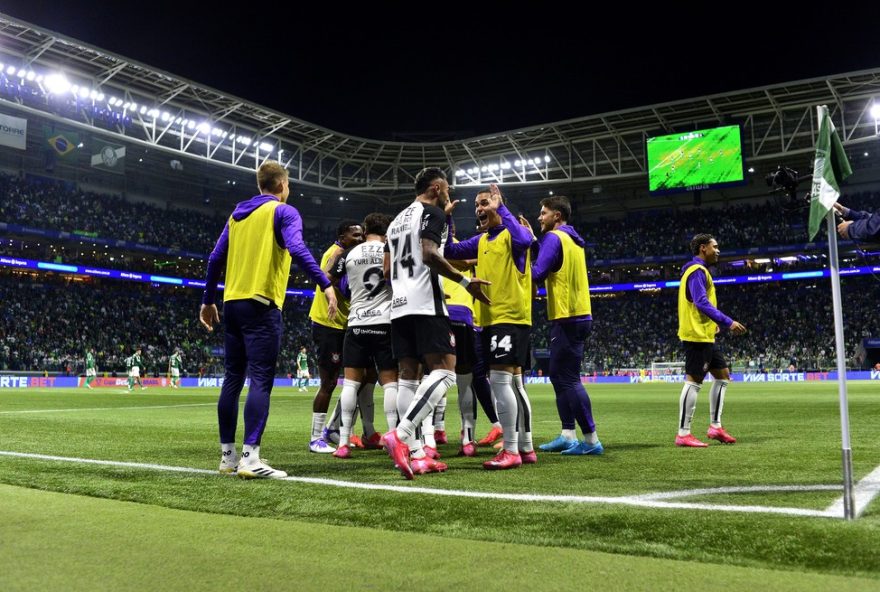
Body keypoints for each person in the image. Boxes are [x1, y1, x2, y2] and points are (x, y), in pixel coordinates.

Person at [200, 160, 338, 479]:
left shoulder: (237, 215)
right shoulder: (283, 211)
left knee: (233, 379)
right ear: (282, 185)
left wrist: (208, 300)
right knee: (261, 379)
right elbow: (298, 248)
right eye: (288, 186)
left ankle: (228, 457)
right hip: (261, 304)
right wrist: (325, 283)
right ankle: (251, 459)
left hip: (232, 302)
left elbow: (214, 258)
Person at [382, 167, 490, 479]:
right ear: (436, 187)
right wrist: (464, 280)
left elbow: (387, 272)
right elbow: (429, 254)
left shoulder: (396, 221)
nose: (448, 193)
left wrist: (402, 293)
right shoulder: (432, 213)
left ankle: (417, 455)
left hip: (399, 307)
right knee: (445, 372)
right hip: (426, 303)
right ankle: (401, 435)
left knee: (409, 378)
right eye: (446, 188)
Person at [446, 184, 536, 470]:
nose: (479, 209)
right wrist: (447, 220)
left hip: (508, 317)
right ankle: (525, 447)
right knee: (510, 384)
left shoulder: (513, 234)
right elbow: (450, 250)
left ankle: (511, 450)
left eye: (484, 203)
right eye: (477, 205)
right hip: (487, 321)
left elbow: (526, 239)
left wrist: (501, 207)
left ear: (498, 205)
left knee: (501, 383)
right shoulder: (482, 239)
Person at [527, 196, 603, 456]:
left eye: (543, 212)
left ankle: (591, 440)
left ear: (557, 216)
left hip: (568, 317)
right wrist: (533, 241)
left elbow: (538, 273)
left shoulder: (554, 238)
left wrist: (515, 275)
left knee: (568, 378)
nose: (539, 217)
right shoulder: (572, 240)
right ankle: (568, 434)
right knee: (559, 375)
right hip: (577, 314)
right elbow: (553, 263)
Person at [328, 212, 397, 458]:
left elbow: (328, 277)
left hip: (356, 323)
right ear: (386, 230)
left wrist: (341, 293)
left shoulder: (348, 253)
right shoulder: (391, 250)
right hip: (385, 323)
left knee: (350, 384)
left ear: (365, 229)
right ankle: (394, 441)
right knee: (390, 383)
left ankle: (344, 443)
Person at [675, 234, 747, 447]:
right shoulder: (697, 271)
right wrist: (727, 322)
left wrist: (712, 323)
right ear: (703, 248)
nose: (718, 251)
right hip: (696, 336)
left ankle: (715, 427)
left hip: (705, 334)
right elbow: (700, 302)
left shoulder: (698, 271)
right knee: (693, 382)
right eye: (715, 247)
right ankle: (683, 433)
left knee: (723, 376)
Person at [307, 220, 363, 453]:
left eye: (362, 235)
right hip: (328, 325)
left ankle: (333, 429)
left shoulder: (347, 254)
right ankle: (315, 439)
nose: (359, 239)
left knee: (357, 379)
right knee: (329, 383)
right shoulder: (336, 254)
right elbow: (326, 280)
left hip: (344, 324)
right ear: (342, 236)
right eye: (354, 235)